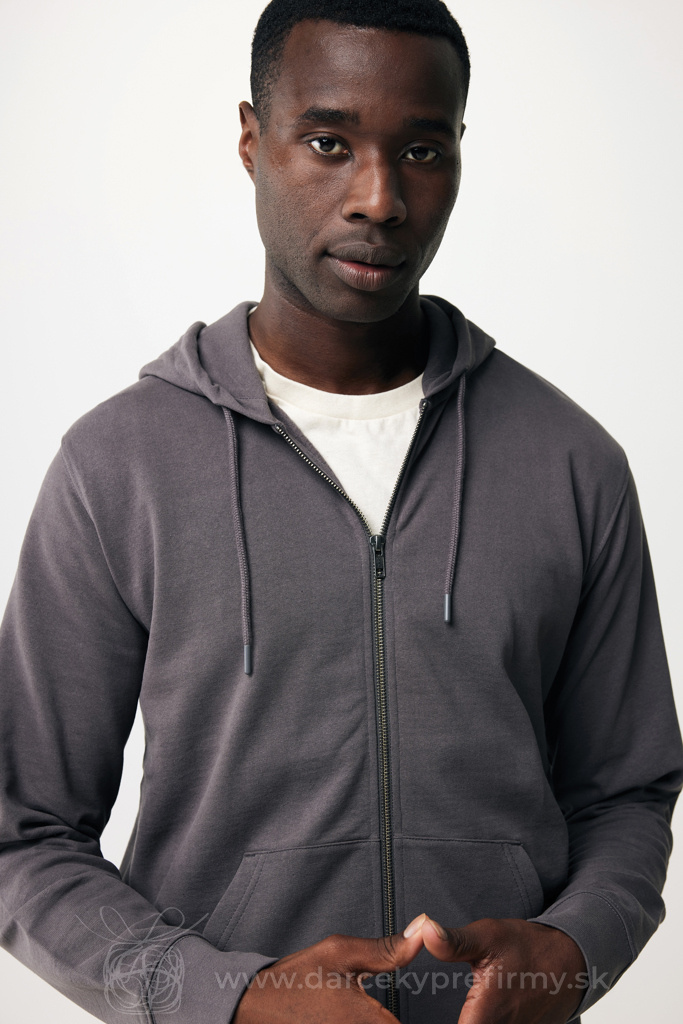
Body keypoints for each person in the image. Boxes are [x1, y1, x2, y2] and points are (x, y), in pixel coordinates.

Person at [1, 1, 681, 1022]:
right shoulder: (119, 466)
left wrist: (565, 955)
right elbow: (24, 831)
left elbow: (627, 794)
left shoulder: (569, 461)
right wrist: (231, 999)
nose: (379, 198)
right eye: (328, 143)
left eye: (421, 150)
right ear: (252, 140)